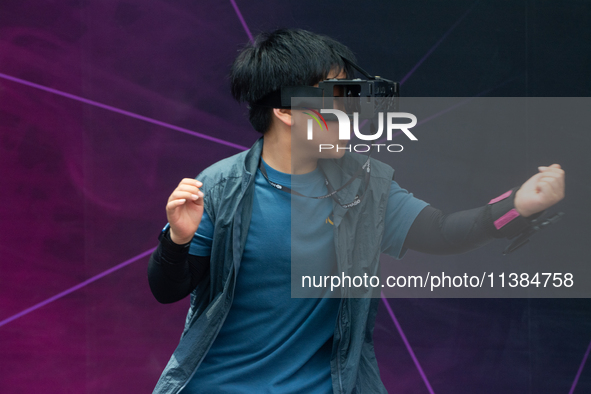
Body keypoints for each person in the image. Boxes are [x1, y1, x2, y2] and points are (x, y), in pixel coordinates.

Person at [147, 29, 565, 394]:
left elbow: (441, 232)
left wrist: (519, 206)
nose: (351, 110)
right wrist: (177, 240)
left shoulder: (363, 184)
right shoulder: (220, 186)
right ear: (285, 111)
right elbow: (168, 289)